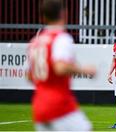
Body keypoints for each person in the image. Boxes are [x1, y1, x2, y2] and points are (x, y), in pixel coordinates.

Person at [27, 0, 96, 131]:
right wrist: (84, 70)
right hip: (59, 104)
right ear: (64, 13)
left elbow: (29, 76)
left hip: (39, 106)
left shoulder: (35, 42)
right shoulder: (61, 38)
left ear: (44, 16)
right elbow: (60, 67)